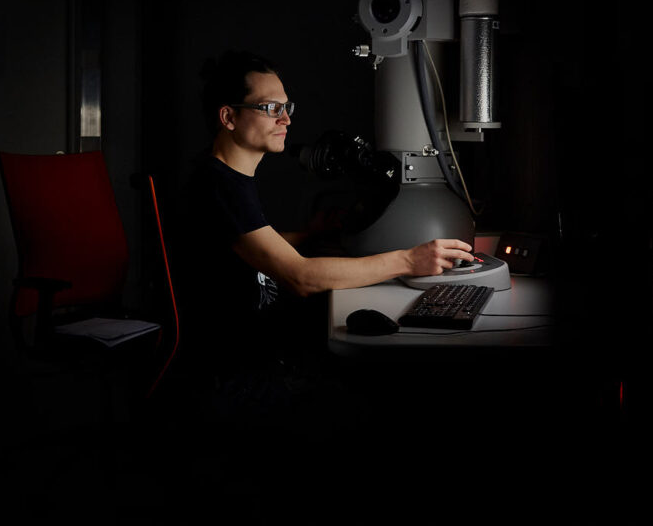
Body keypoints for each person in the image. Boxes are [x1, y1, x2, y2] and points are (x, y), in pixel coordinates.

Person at [172, 49, 475, 420]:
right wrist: (409, 260)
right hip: (236, 377)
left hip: (261, 357)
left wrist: (307, 235)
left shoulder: (225, 177)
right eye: (270, 108)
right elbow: (300, 277)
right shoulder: (219, 186)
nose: (285, 119)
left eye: (287, 108)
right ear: (228, 116)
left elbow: (241, 245)